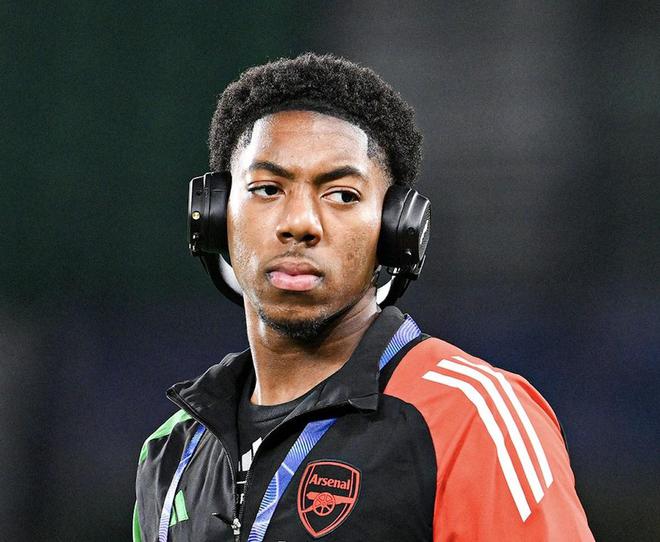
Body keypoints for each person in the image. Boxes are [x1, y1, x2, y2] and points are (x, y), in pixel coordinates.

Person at [133, 53, 594, 542]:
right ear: (214, 216)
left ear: (397, 230)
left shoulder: (470, 416)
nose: (300, 223)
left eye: (342, 195)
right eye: (267, 189)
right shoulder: (171, 452)